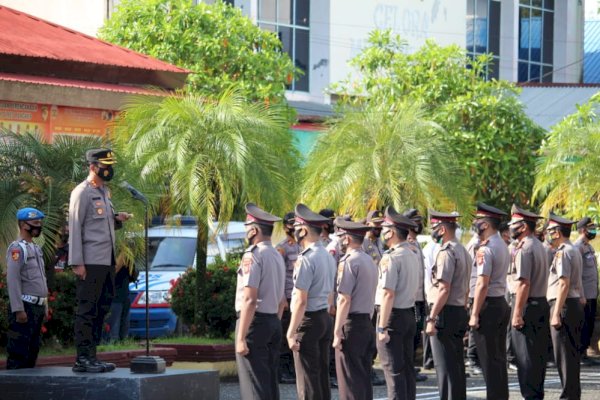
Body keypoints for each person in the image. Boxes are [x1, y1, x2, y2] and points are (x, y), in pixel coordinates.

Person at [69, 148, 131, 373]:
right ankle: (82, 358)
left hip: (106, 262)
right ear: (93, 167)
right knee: (87, 310)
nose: (109, 170)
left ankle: (93, 356)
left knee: (101, 307)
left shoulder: (104, 192)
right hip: (90, 261)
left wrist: (116, 218)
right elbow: (76, 227)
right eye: (105, 166)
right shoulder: (82, 192)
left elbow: (100, 223)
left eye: (110, 166)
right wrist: (77, 262)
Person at [235, 203, 286, 400]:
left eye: (248, 227)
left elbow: (249, 298)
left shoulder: (253, 254)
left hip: (254, 323)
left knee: (254, 385)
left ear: (254, 230)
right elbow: (282, 300)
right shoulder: (276, 254)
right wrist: (274, 321)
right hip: (272, 320)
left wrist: (241, 337)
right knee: (269, 382)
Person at [287, 203, 336, 400]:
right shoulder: (326, 255)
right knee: (321, 376)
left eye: (297, 228)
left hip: (308, 320)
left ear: (304, 230)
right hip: (323, 317)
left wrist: (291, 331)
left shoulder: (306, 258)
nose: (294, 232)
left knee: (307, 380)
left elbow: (300, 299)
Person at [425, 210, 471, 400]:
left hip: (445, 312)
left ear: (442, 229)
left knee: (444, 368)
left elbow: (443, 289)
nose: (433, 232)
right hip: (459, 309)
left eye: (435, 228)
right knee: (456, 365)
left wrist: (432, 317)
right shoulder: (463, 250)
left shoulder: (446, 252)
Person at [375, 206, 419, 400]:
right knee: (407, 370)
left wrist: (381, 327)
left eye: (385, 228)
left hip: (392, 316)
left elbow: (388, 294)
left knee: (393, 371)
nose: (382, 231)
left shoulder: (391, 257)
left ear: (391, 232)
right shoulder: (412, 253)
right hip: (408, 313)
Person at [331, 220, 378, 400]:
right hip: (366, 321)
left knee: (349, 381)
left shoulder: (349, 262)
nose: (340, 240)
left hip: (351, 324)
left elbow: (344, 299)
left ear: (348, 239)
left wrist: (337, 332)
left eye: (342, 237)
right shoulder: (369, 259)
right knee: (363, 378)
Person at [469, 203, 510, 400]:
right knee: (498, 358)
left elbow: (482, 284)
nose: (475, 224)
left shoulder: (485, 249)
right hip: (500, 302)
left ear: (485, 225)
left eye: (478, 221)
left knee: (489, 361)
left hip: (488, 305)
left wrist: (475, 314)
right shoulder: (502, 243)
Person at [507, 205, 549, 400]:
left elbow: (523, 283)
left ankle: (530, 396)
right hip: (540, 303)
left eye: (514, 224)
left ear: (523, 226)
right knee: (538, 356)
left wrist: (517, 313)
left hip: (527, 305)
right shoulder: (539, 245)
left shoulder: (525, 248)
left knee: (525, 358)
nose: (511, 228)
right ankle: (536, 394)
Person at [546, 213, 585, 399]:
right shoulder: (573, 250)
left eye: (550, 231)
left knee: (564, 357)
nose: (547, 234)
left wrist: (555, 313)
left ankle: (568, 395)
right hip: (572, 304)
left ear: (557, 232)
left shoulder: (563, 252)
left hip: (564, 305)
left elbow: (564, 283)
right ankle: (572, 394)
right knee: (570, 355)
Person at [5, 207, 48, 369]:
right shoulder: (17, 248)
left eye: (39, 223)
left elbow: (42, 278)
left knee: (32, 351)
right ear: (24, 225)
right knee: (19, 352)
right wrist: (18, 309)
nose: (39, 226)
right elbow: (13, 279)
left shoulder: (35, 248)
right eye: (35, 223)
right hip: (25, 306)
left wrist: (45, 305)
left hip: (37, 306)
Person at [403, 208, 429, 382]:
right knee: (408, 336)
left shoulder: (416, 242)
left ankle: (410, 366)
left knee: (415, 335)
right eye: (415, 222)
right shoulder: (406, 243)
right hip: (410, 300)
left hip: (419, 298)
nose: (418, 225)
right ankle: (406, 368)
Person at [276, 211, 300, 384]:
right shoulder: (282, 247)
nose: (294, 227)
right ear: (285, 227)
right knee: (286, 333)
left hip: (300, 297)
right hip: (288, 297)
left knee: (297, 333)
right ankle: (283, 368)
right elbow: (279, 275)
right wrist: (282, 298)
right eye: (291, 224)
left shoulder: (303, 245)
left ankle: (293, 365)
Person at [574, 217, 598, 365]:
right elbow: (577, 274)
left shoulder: (589, 246)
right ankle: (580, 354)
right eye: (591, 228)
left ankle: (585, 353)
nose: (593, 231)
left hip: (592, 292)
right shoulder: (578, 247)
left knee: (589, 324)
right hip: (583, 294)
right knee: (582, 325)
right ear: (583, 230)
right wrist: (581, 294)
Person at [102, 257, 135, 343]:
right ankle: (112, 342)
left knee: (124, 327)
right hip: (113, 297)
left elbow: (133, 275)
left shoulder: (127, 257)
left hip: (124, 295)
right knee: (113, 329)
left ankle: (122, 342)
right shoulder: (110, 254)